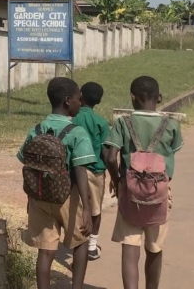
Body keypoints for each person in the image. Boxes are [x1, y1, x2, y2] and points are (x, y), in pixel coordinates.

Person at [103, 76, 184, 289]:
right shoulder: (171, 125)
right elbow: (173, 150)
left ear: (132, 98)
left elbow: (110, 158)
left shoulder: (123, 123)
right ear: (160, 97)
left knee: (130, 248)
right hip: (159, 193)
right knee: (155, 248)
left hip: (130, 192)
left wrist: (117, 181)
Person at [18, 77, 97, 289]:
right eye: (79, 98)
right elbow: (80, 170)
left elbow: (27, 163)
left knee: (45, 251)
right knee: (80, 242)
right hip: (68, 198)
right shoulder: (77, 132)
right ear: (68, 101)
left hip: (40, 197)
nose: (81, 102)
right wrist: (86, 208)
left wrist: (30, 198)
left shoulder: (36, 130)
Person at [73, 81, 110, 261]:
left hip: (75, 170)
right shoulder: (101, 123)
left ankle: (76, 242)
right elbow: (105, 152)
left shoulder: (72, 118)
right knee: (95, 210)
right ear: (99, 101)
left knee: (77, 208)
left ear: (80, 96)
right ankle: (92, 246)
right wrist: (115, 176)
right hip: (95, 171)